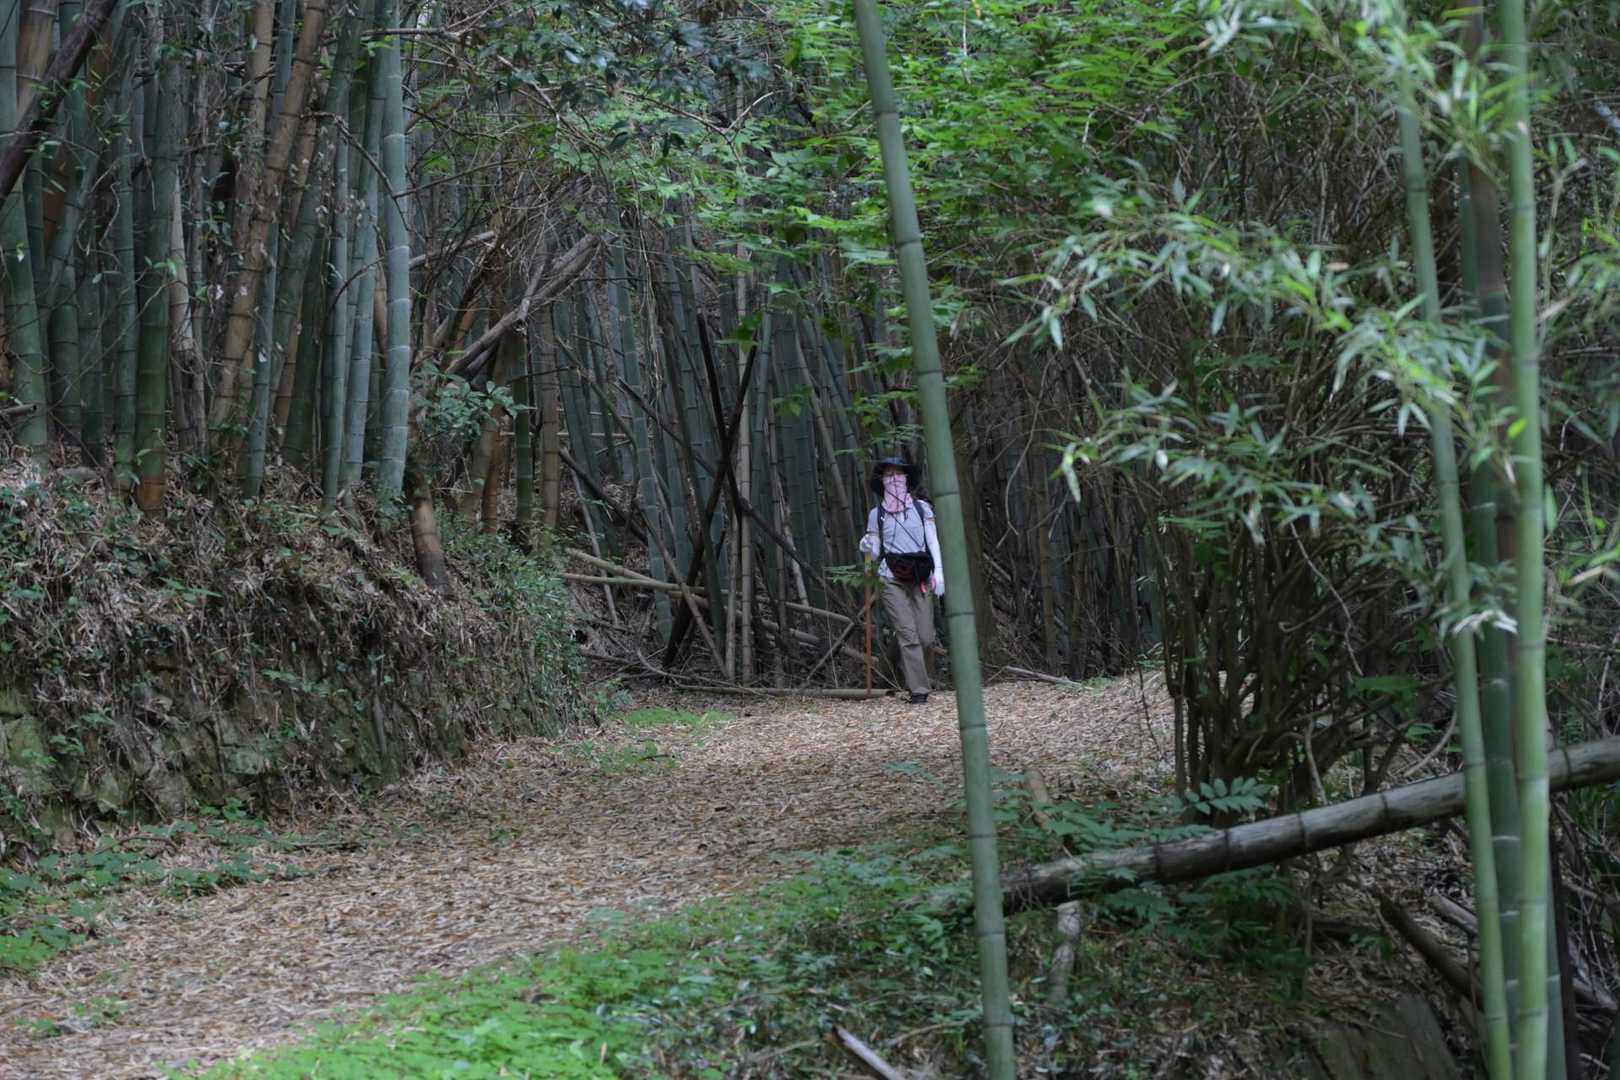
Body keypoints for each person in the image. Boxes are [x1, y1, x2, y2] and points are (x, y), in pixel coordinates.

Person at [859, 457, 944, 704]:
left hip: (920, 576)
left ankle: (920, 679)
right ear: (882, 481)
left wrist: (939, 572)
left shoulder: (922, 508)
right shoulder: (877, 514)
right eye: (888, 475)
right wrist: (866, 546)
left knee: (926, 637)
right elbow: (876, 550)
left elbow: (933, 541)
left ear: (907, 478)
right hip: (891, 577)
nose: (894, 479)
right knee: (908, 634)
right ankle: (919, 691)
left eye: (899, 474)